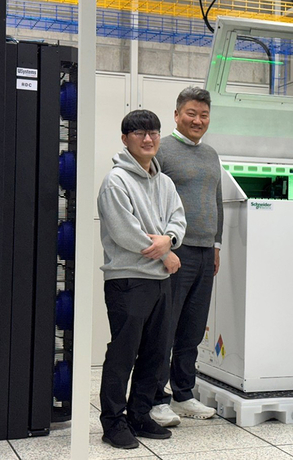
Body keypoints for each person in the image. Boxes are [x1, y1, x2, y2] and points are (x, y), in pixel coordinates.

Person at [97, 109, 186, 449]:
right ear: (125, 139)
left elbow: (178, 219)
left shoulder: (165, 183)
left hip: (160, 281)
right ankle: (113, 422)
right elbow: (125, 232)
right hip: (128, 280)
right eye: (139, 133)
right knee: (123, 354)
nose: (148, 139)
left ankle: (140, 414)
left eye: (153, 132)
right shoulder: (116, 181)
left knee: (156, 352)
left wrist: (169, 240)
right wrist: (166, 252)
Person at [150, 87, 223, 426]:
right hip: (176, 252)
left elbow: (216, 200)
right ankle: (155, 398)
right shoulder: (162, 150)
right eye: (191, 113)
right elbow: (150, 201)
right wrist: (164, 250)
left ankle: (183, 394)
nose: (198, 120)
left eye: (203, 115)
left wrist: (216, 245)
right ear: (177, 114)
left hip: (205, 252)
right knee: (164, 328)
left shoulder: (210, 153)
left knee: (192, 329)